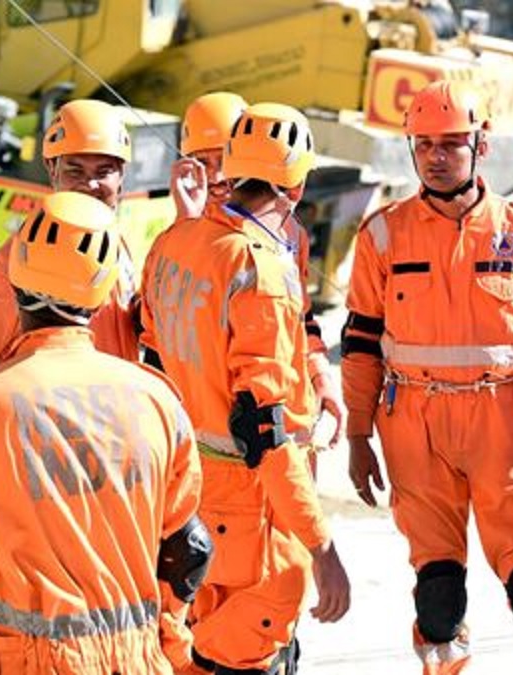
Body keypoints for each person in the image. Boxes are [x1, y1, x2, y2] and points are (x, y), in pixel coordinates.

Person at [0, 191, 211, 675]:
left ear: (14, 279)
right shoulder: (159, 401)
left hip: (26, 661)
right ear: (106, 288)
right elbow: (187, 547)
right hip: (135, 660)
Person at [342, 80, 513, 674]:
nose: (436, 155)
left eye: (452, 143)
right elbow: (360, 343)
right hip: (414, 427)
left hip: (505, 425)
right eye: (424, 144)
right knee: (439, 594)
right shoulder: (382, 233)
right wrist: (356, 434)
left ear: (482, 144)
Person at [139, 102, 350, 674]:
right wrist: (321, 547)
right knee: (256, 631)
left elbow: (155, 355)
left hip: (187, 488)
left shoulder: (173, 244)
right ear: (298, 184)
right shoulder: (260, 268)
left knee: (195, 636)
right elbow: (264, 426)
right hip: (253, 502)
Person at [163, 91, 344, 456]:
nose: (215, 177)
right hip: (227, 444)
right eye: (201, 162)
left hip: (286, 432)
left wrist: (320, 376)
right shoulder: (180, 239)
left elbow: (300, 321)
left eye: (222, 158)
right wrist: (186, 227)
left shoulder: (290, 232)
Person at [0, 99, 140, 394]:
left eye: (103, 172)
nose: (90, 185)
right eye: (75, 171)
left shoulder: (117, 242)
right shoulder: (23, 261)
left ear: (121, 177)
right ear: (52, 170)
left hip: (111, 424)